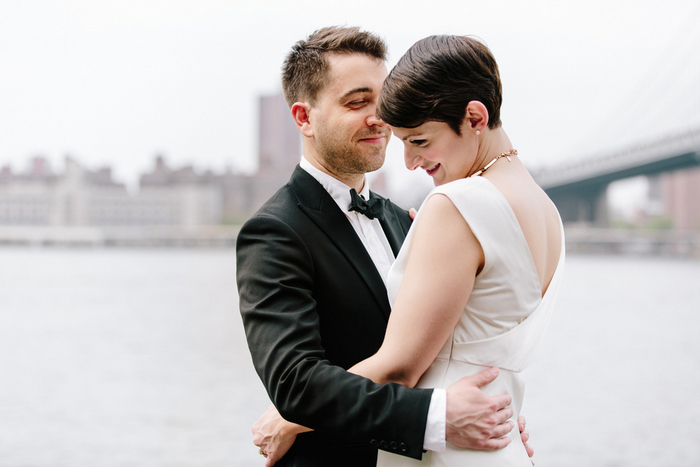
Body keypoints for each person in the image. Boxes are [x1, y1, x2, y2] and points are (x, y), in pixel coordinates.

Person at [236, 27, 532, 467]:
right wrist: (440, 415)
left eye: (382, 100)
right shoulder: (274, 231)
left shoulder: (410, 219)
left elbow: (444, 345)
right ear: (304, 118)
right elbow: (296, 384)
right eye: (357, 102)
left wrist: (493, 412)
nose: (380, 117)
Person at [344, 34, 566, 465]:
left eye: (420, 141)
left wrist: (288, 417)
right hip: (501, 445)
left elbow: (397, 368)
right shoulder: (548, 212)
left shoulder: (457, 204)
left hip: (441, 446)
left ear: (474, 117)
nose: (408, 161)